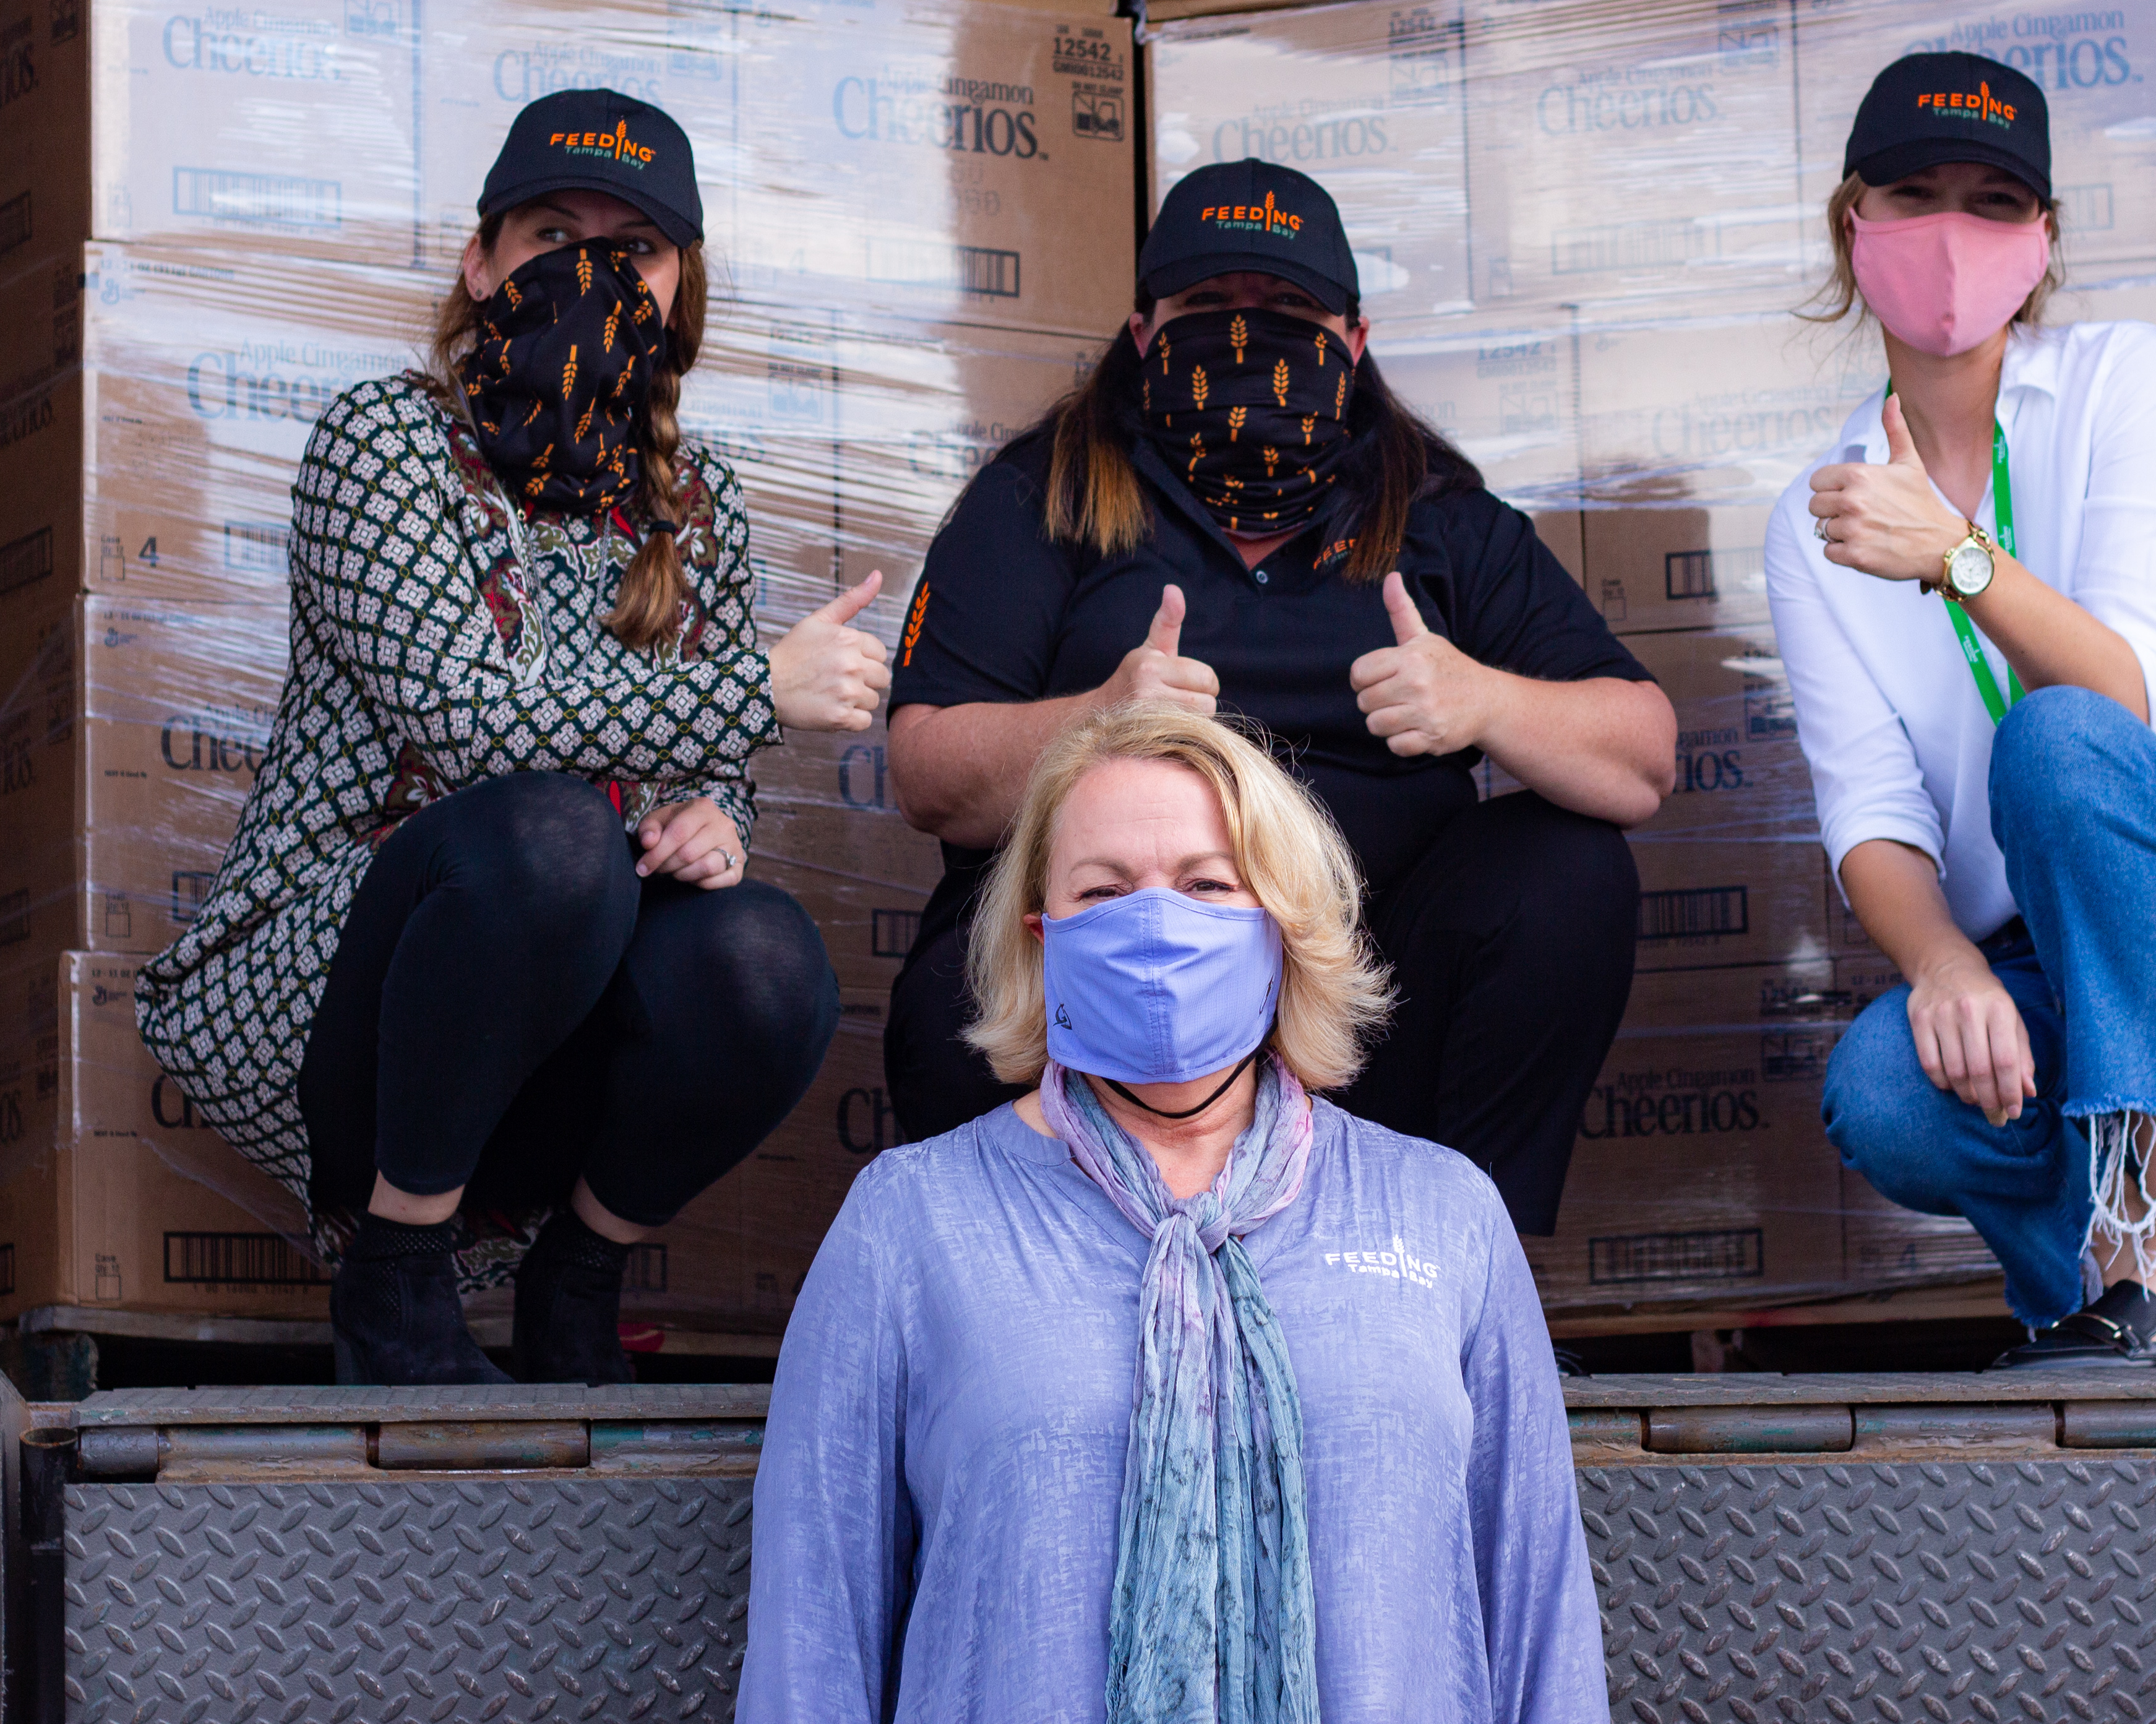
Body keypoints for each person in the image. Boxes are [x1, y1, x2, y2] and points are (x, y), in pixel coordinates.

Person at [135, 88, 896, 1387]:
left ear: (680, 292)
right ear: (481, 262)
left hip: (553, 1001)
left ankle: (577, 1281)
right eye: (554, 232)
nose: (591, 274)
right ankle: (397, 1288)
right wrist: (759, 693)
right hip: (330, 1007)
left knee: (767, 958)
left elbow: (702, 774)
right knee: (552, 836)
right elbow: (465, 715)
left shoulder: (698, 501)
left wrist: (720, 822)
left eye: (633, 251)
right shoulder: (383, 440)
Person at [744, 701, 1605, 1723]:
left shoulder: (1443, 1213)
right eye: (1104, 893)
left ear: (1282, 923)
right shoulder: (912, 1221)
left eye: (1206, 886)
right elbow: (814, 1636)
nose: (1156, 927)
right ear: (1044, 936)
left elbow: (1538, 1625)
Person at [883, 158, 1675, 1235]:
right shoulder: (1046, 492)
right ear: (1143, 333)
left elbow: (1644, 754)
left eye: (1288, 312)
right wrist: (1097, 721)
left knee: (1569, 869)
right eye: (1209, 307)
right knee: (953, 997)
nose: (1248, 338)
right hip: (1119, 982)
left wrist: (1486, 703)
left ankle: (1468, 1276)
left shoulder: (1436, 511)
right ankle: (1042, 1296)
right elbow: (926, 772)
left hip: (1361, 1007)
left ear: (1352, 344)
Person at [1764, 53, 2156, 1368]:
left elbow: (2119, 700)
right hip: (2055, 976)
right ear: (1851, 223)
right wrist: (1940, 967)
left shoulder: (2127, 381)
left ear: (2041, 243)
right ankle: (2110, 1325)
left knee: (2057, 742)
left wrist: (1952, 554)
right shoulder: (1813, 516)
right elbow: (1871, 814)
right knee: (1884, 1085)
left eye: (1994, 203)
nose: (1953, 233)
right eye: (1915, 193)